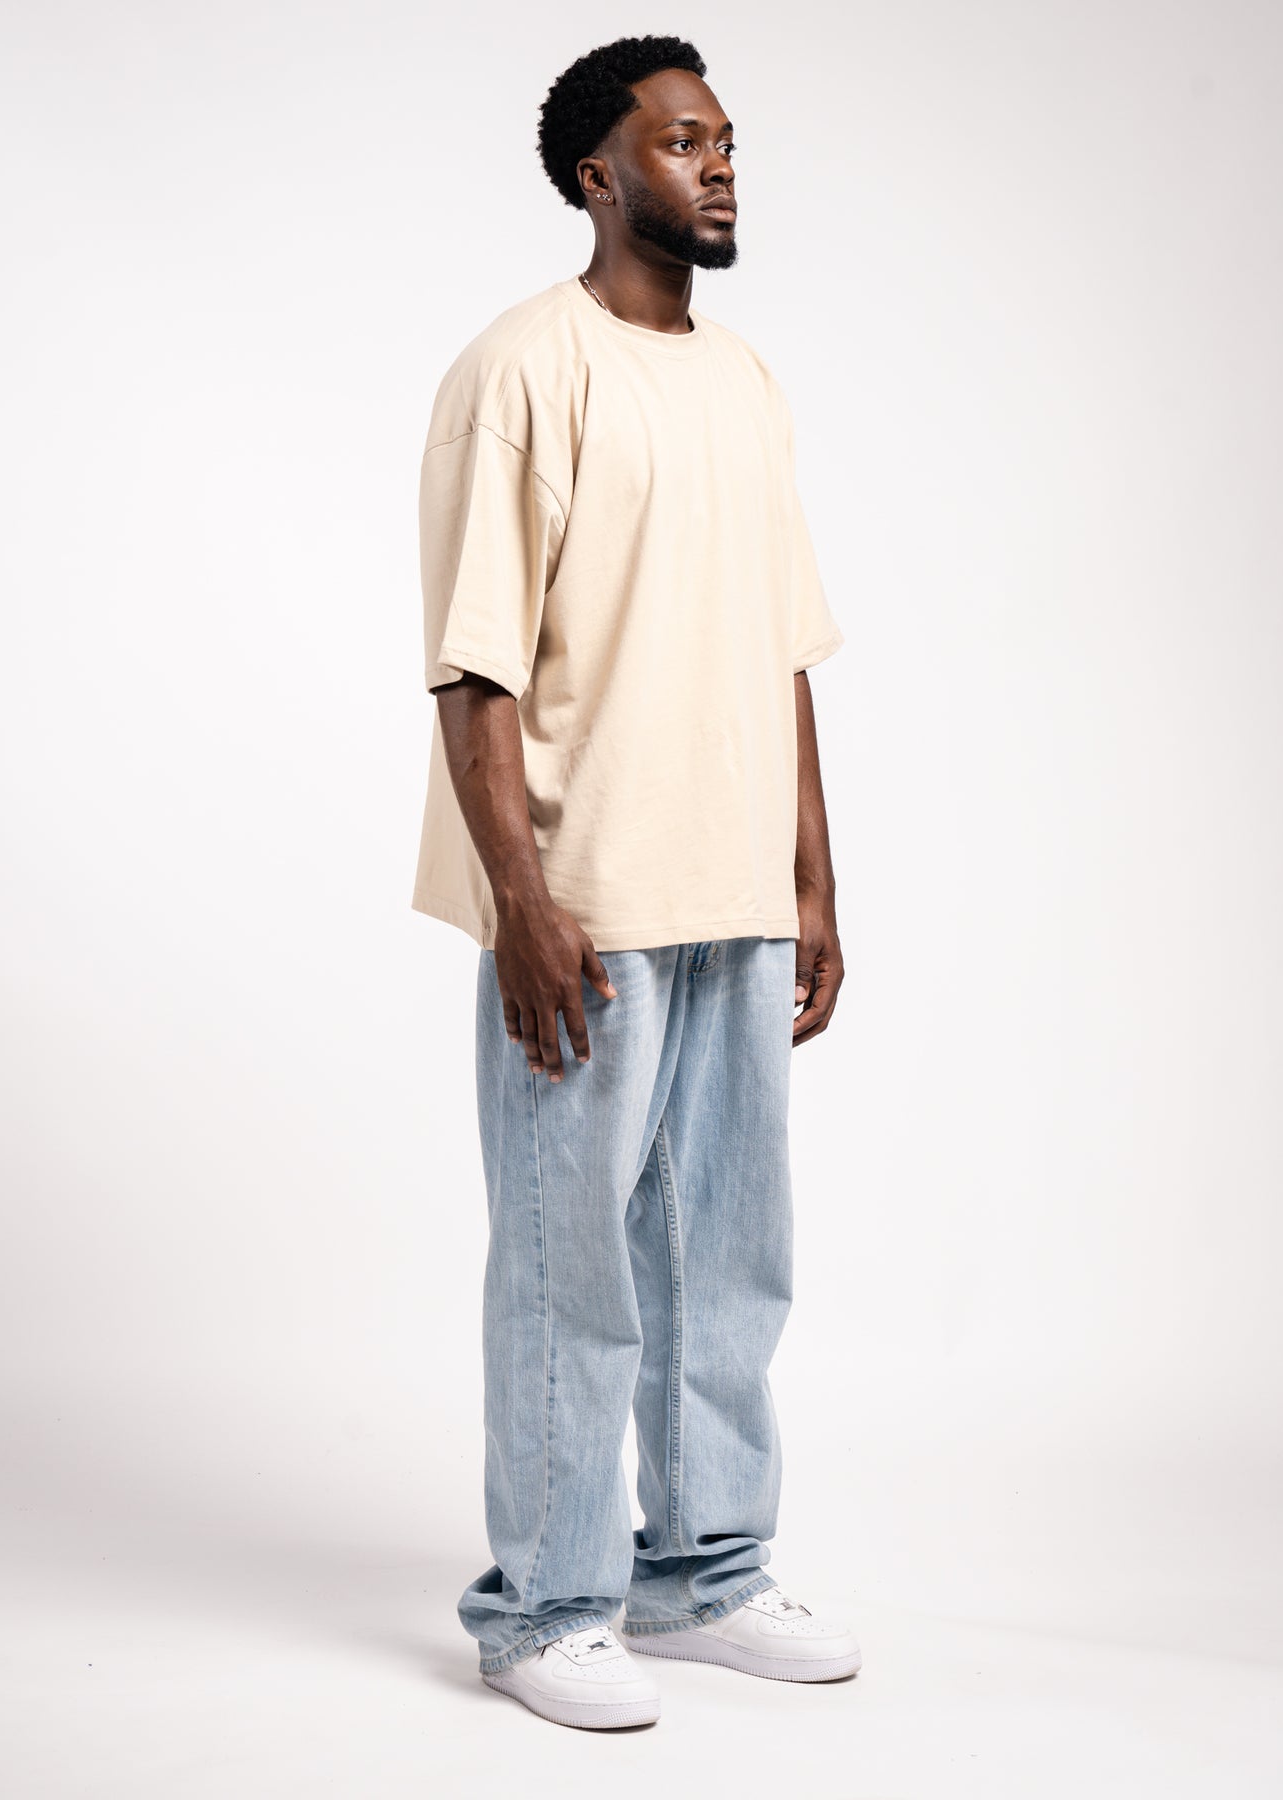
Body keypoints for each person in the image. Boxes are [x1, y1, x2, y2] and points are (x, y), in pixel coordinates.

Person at [411, 34, 862, 1731]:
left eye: (725, 139)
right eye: (681, 142)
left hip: (731, 885)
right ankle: (543, 1606)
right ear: (597, 176)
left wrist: (813, 883)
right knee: (568, 1268)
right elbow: (471, 668)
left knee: (728, 1265)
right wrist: (521, 903)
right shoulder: (520, 372)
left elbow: (783, 648)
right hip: (586, 903)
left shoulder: (743, 380)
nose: (718, 165)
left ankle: (705, 1575)